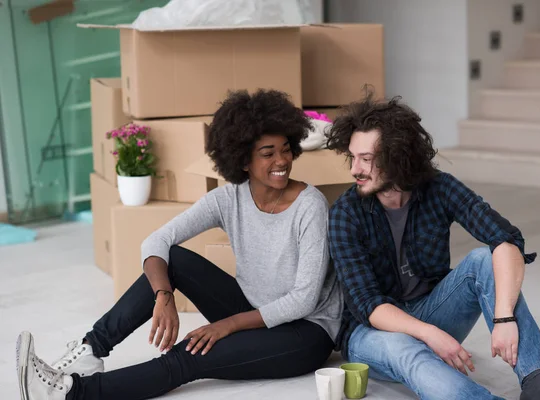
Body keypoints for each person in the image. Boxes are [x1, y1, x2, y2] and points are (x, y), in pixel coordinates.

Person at [16, 89, 343, 400]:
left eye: (286, 149)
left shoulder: (309, 206)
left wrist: (225, 326)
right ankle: (90, 350)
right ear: (243, 160)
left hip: (304, 334)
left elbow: (303, 300)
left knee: (188, 355)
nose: (282, 160)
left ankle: (71, 394)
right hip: (253, 310)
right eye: (267, 153)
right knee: (171, 260)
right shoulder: (228, 199)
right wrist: (164, 294)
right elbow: (156, 241)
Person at [325, 91, 540, 400]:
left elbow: (505, 238)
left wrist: (503, 317)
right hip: (373, 332)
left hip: (430, 309)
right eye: (353, 157)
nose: (354, 169)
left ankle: (537, 380)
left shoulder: (438, 188)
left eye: (367, 159)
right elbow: (368, 305)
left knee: (483, 260)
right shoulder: (345, 213)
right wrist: (430, 334)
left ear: (397, 157)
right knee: (404, 348)